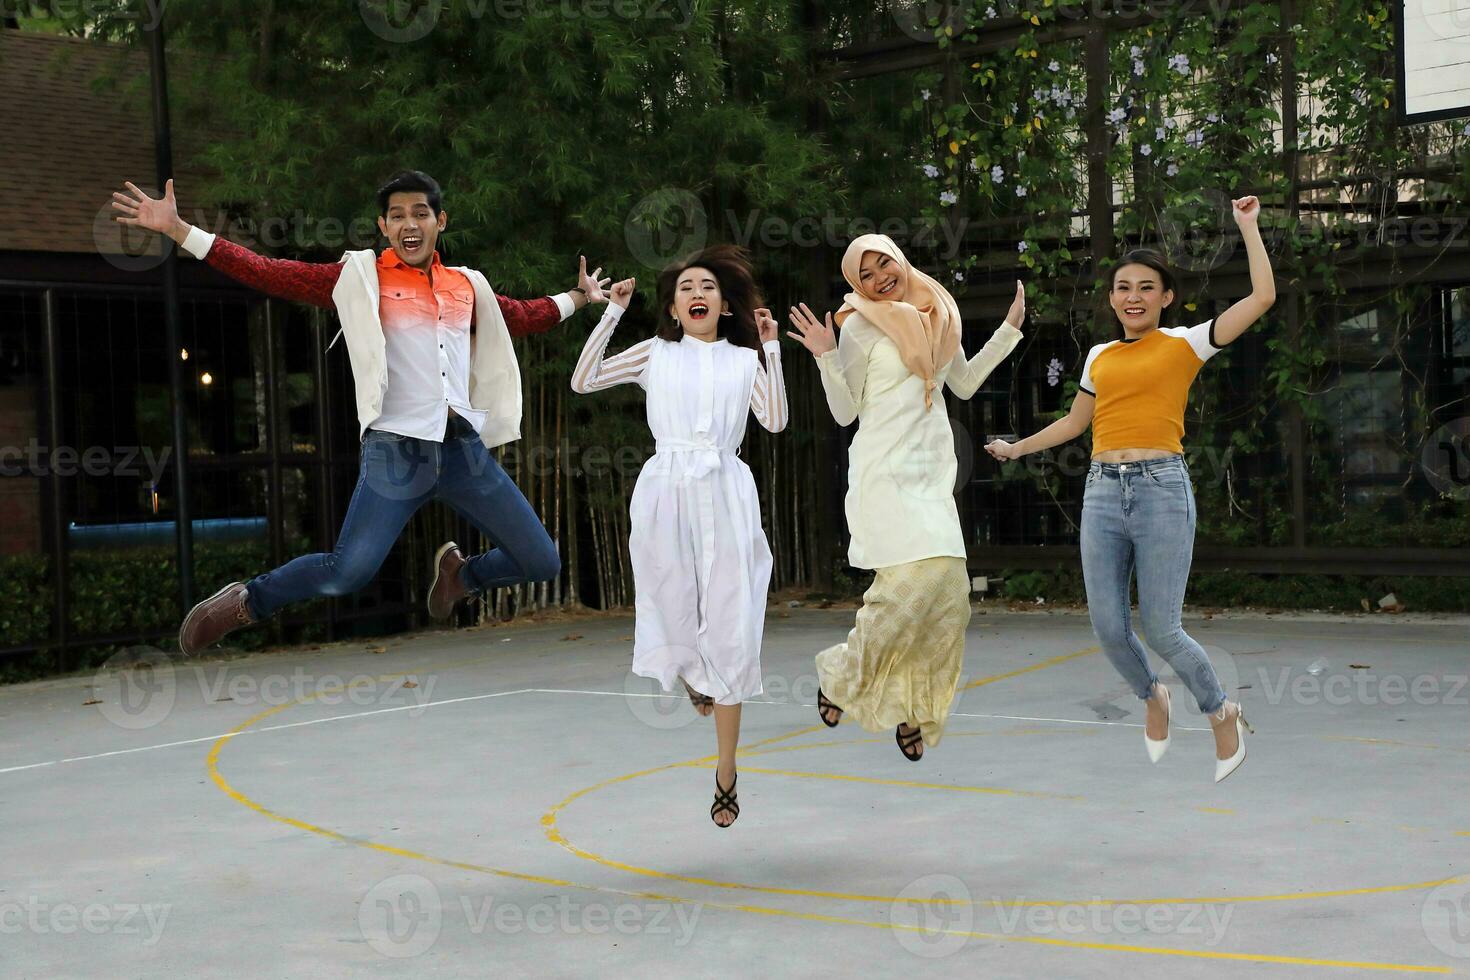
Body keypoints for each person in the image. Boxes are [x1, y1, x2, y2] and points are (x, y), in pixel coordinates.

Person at [111, 171, 610, 654]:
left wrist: (579, 297)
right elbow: (273, 273)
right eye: (397, 216)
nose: (409, 224)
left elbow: (521, 315)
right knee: (348, 570)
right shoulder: (360, 278)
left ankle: (464, 576)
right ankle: (248, 601)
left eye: (421, 213)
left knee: (541, 559)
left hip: (463, 451)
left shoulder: (465, 285)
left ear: (441, 221)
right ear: (383, 227)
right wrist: (180, 230)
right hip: (396, 451)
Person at [985, 196, 1275, 783]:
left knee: (1163, 628)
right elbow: (1074, 424)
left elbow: (1262, 297)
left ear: (1165, 298)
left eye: (1147, 287)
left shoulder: (1186, 343)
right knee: (1107, 627)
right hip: (1100, 491)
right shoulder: (1099, 355)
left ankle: (1220, 709)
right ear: (1113, 297)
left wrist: (1248, 227)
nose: (1133, 296)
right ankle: (1152, 697)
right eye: (1123, 287)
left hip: (1161, 488)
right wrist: (1017, 449)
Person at [570, 245, 787, 827]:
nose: (697, 293)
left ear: (724, 305)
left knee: (732, 622)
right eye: (687, 286)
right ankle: (694, 674)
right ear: (672, 305)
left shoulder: (745, 361)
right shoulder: (656, 353)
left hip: (725, 489)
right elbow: (584, 378)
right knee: (670, 603)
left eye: (709, 287)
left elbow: (775, 420)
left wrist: (770, 348)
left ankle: (726, 771)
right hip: (665, 489)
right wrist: (612, 312)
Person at [788, 234, 1024, 762]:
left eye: (883, 264)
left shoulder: (936, 311)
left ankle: (915, 708)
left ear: (900, 260)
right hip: (882, 470)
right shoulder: (860, 326)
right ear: (856, 285)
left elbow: (962, 383)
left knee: (948, 598)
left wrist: (1009, 330)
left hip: (929, 470)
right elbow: (845, 412)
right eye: (864, 274)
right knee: (903, 592)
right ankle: (843, 675)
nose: (877, 279)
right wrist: (826, 355)